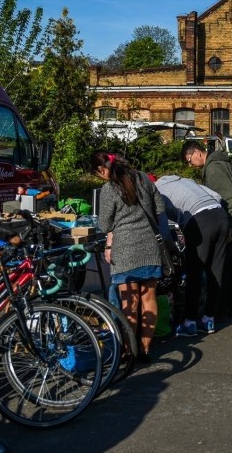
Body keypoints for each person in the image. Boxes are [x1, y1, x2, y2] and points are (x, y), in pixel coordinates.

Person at [91, 151, 163, 362]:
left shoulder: (109, 188)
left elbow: (104, 224)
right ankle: (146, 349)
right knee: (148, 298)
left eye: (98, 173)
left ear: (102, 169)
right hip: (150, 245)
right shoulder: (143, 177)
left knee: (129, 303)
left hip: (125, 250)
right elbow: (160, 206)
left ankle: (130, 351)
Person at [182, 139, 232, 320]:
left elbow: (231, 201)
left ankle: (223, 309)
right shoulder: (219, 162)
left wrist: (228, 227)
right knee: (231, 266)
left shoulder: (214, 168)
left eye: (189, 160)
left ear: (197, 153)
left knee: (222, 267)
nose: (191, 165)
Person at [155, 174, 229, 337]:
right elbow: (217, 196)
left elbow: (163, 226)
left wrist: (171, 245)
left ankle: (190, 323)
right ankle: (209, 318)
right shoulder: (186, 181)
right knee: (216, 270)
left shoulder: (158, 190)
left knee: (194, 272)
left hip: (199, 220)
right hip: (221, 216)